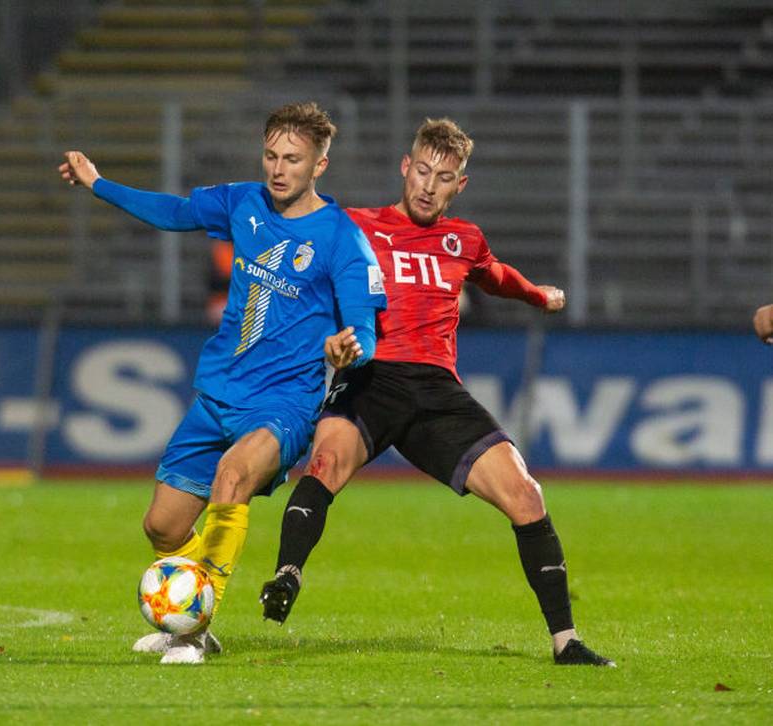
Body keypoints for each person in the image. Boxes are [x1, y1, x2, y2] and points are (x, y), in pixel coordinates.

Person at [259, 118, 616, 667]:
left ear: (459, 186)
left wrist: (536, 295)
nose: (428, 185)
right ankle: (286, 576)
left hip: (436, 390)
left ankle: (566, 642)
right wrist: (325, 337)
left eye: (443, 177)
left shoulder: (463, 239)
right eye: (422, 171)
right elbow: (304, 271)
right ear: (405, 167)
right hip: (370, 376)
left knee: (527, 496)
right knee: (324, 462)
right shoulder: (356, 225)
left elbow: (492, 273)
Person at [60, 102, 387, 664]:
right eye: (271, 155)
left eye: (293, 159)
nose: (278, 169)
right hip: (217, 394)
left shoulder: (342, 239)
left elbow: (364, 328)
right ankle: (193, 611)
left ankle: (192, 628)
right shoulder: (244, 203)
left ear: (320, 165)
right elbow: (174, 211)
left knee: (231, 476)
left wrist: (345, 347)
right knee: (162, 528)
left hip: (284, 402)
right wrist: (99, 184)